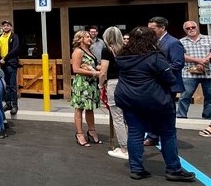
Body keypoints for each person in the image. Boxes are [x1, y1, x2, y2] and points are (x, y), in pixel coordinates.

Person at [115, 26, 195, 181]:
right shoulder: (155, 57)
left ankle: (137, 169)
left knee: (135, 133)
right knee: (167, 133)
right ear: (151, 40)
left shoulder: (122, 57)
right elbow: (170, 78)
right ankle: (174, 169)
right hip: (155, 100)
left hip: (128, 99)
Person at [144, 16, 186, 146]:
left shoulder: (173, 43)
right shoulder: (153, 42)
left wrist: (159, 70)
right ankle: (152, 136)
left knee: (167, 112)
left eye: (153, 28)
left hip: (167, 83)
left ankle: (168, 136)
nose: (150, 31)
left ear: (162, 28)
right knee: (152, 110)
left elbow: (178, 64)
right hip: (154, 84)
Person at [99, 26, 128, 160]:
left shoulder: (107, 50)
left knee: (117, 117)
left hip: (114, 83)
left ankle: (124, 148)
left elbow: (103, 71)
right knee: (128, 117)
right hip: (128, 83)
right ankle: (133, 145)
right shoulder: (126, 49)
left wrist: (100, 85)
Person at [70, 30, 102, 147]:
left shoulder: (90, 51)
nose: (90, 38)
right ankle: (79, 134)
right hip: (82, 84)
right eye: (87, 37)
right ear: (80, 39)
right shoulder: (78, 52)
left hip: (91, 84)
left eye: (90, 36)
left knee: (90, 108)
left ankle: (92, 131)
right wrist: (94, 73)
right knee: (79, 108)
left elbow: (93, 65)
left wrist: (101, 68)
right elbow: (76, 69)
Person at [177, 21, 211, 119]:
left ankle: (208, 118)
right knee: (185, 96)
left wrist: (206, 60)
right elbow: (180, 55)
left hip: (208, 72)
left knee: (210, 97)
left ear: (197, 27)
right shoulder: (181, 41)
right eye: (188, 28)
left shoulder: (208, 38)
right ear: (185, 30)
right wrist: (199, 61)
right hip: (189, 74)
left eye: (193, 27)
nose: (191, 29)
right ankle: (181, 116)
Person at [0, 20, 20, 115]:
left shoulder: (14, 37)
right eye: (4, 26)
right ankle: (8, 103)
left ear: (11, 27)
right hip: (3, 64)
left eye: (7, 25)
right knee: (5, 85)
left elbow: (15, 49)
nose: (6, 27)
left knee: (12, 85)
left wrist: (5, 58)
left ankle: (14, 105)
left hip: (11, 63)